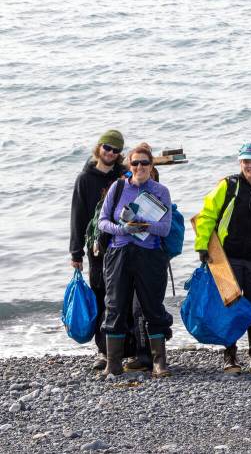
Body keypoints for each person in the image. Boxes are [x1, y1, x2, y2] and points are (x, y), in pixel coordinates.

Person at [194, 142, 251, 373]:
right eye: (246, 161)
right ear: (240, 162)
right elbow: (207, 215)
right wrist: (202, 245)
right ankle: (230, 355)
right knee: (231, 306)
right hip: (229, 257)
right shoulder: (228, 185)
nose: (250, 165)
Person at [98, 143, 174, 377]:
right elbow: (103, 222)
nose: (140, 167)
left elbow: (165, 229)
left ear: (151, 166)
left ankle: (159, 362)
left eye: (144, 163)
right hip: (119, 253)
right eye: (135, 163)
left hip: (149, 255)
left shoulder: (161, 191)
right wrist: (123, 229)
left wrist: (140, 223)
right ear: (129, 165)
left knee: (153, 307)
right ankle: (113, 363)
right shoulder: (118, 187)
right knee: (115, 306)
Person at [69, 130, 126, 371]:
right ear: (99, 147)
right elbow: (78, 215)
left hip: (122, 243)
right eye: (107, 148)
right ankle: (103, 350)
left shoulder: (123, 175)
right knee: (101, 295)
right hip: (96, 247)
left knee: (122, 295)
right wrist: (76, 252)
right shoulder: (85, 179)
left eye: (115, 150)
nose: (110, 153)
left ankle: (125, 348)